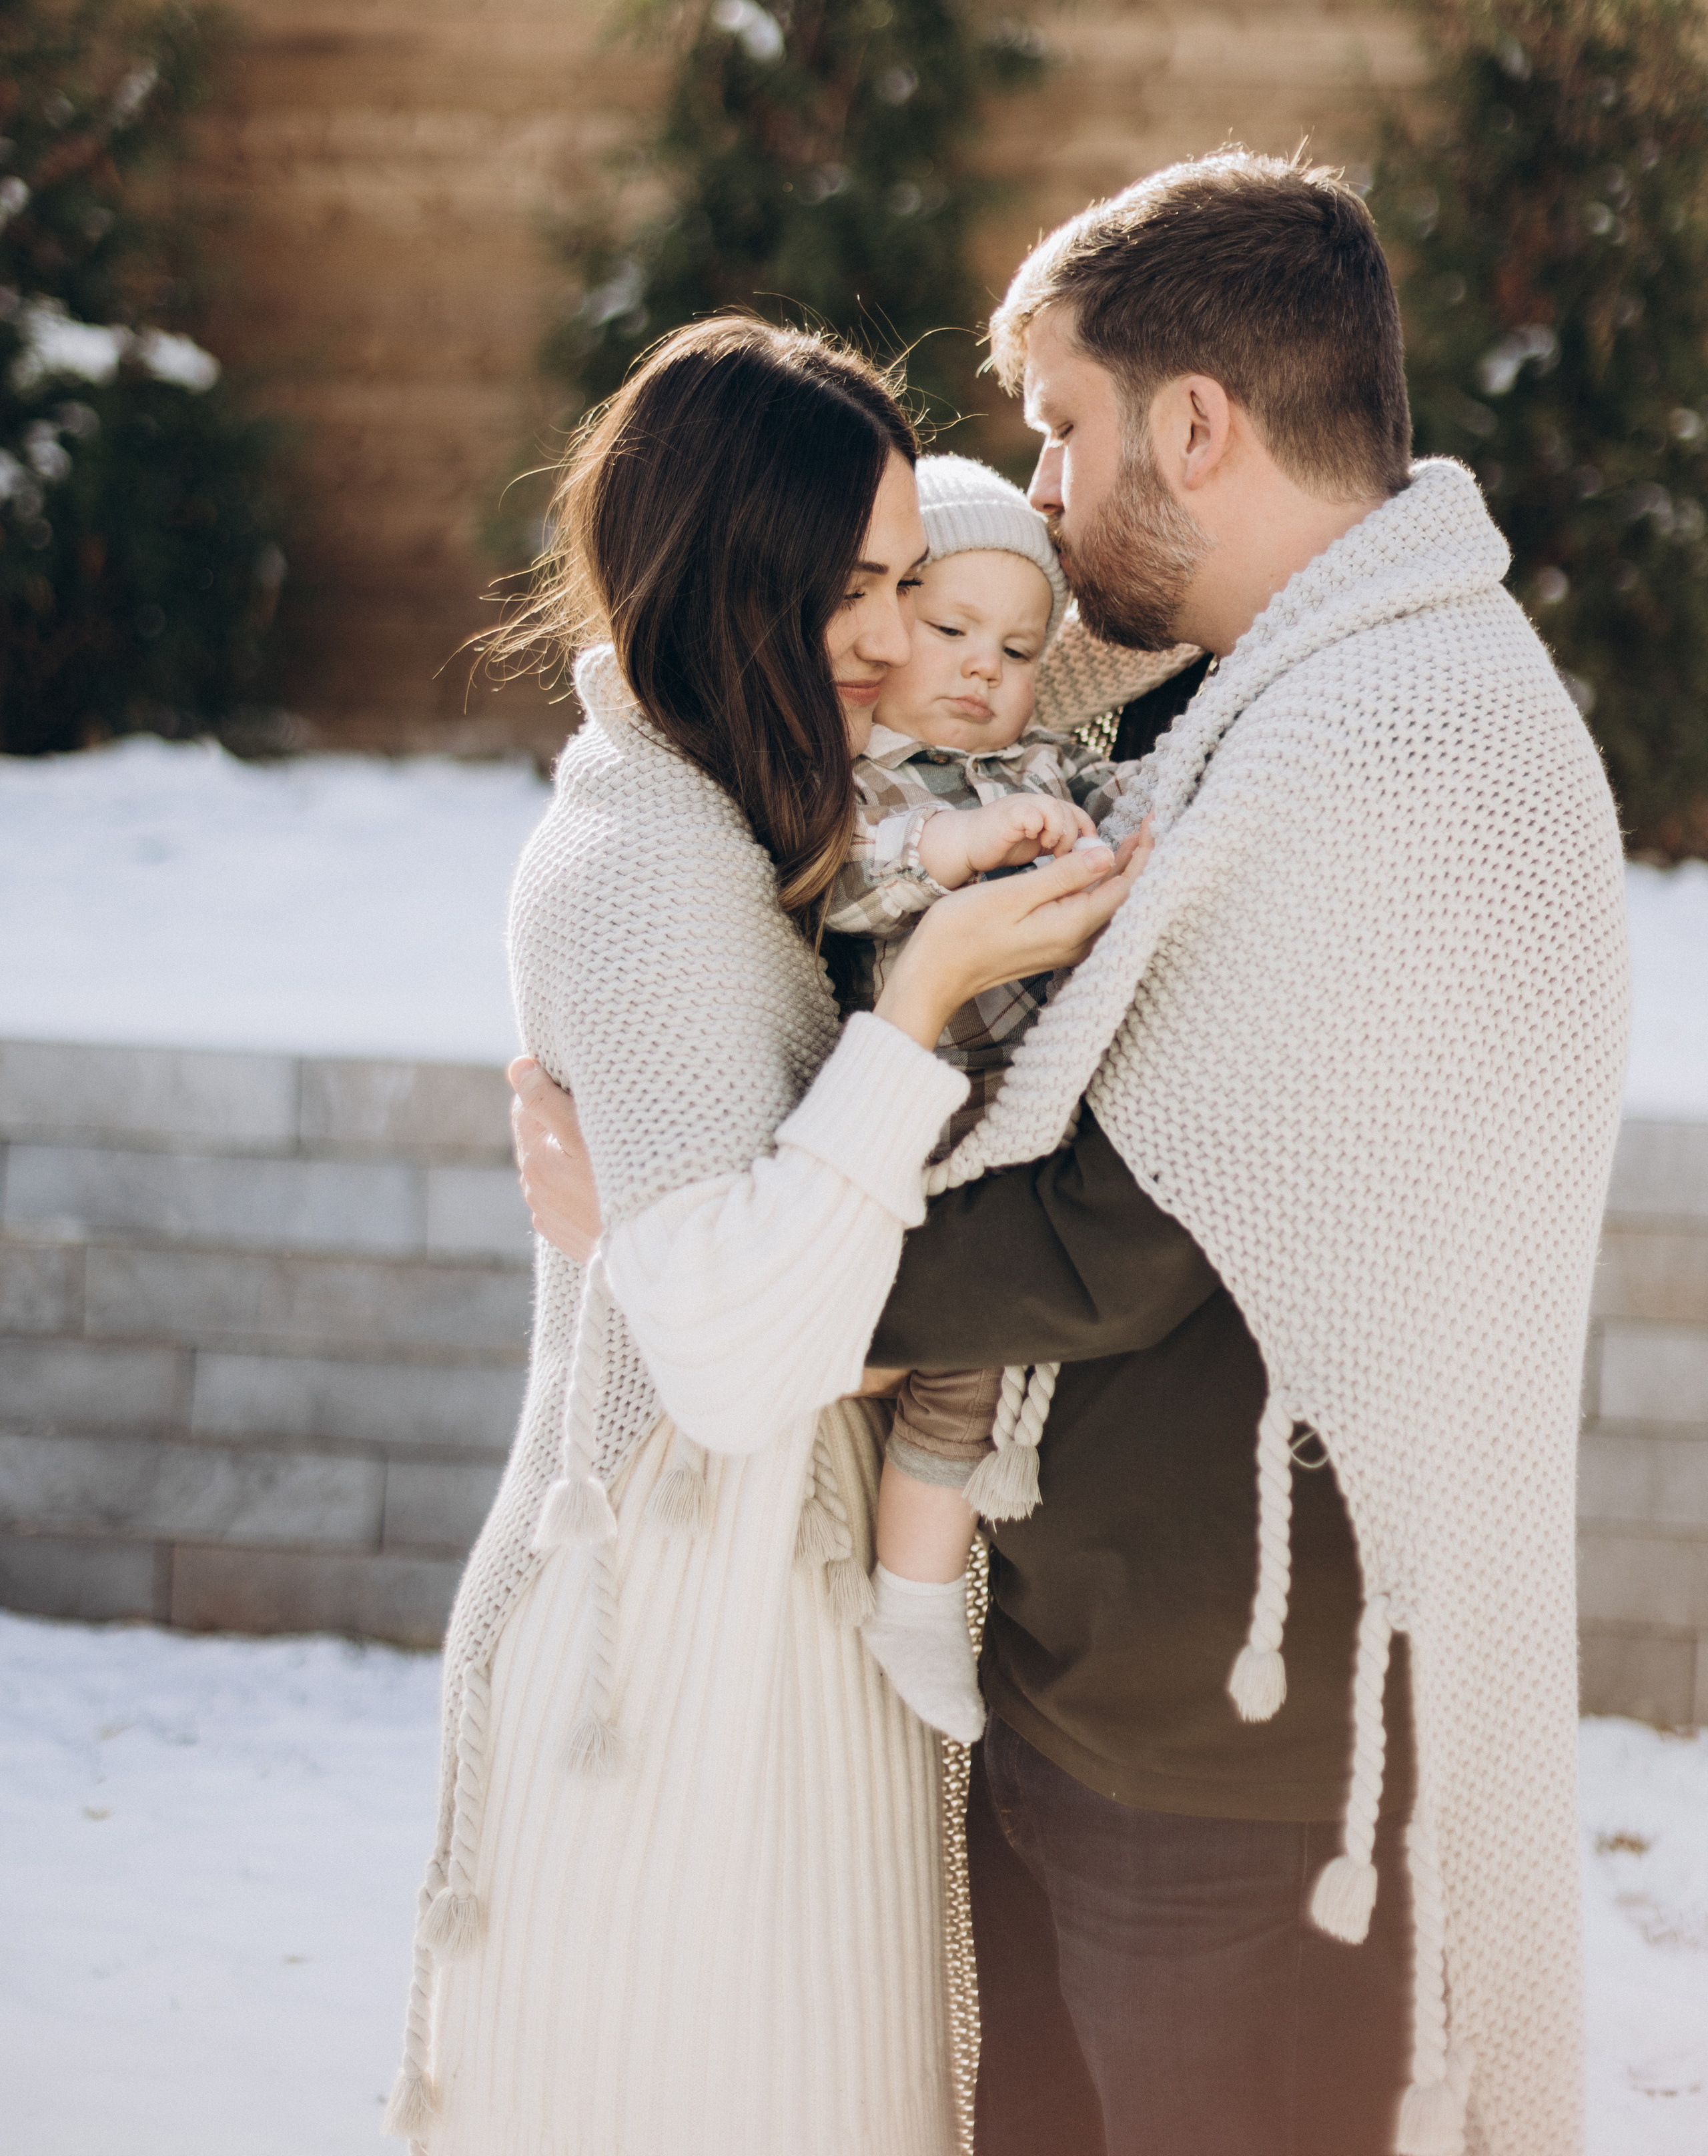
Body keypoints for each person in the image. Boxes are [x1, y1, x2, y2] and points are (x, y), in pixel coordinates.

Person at [514, 152, 1630, 2156]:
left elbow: (1138, 1223)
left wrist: (738, 1272)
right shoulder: (1277, 684)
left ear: (1194, 426)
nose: (1024, 490)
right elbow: (917, 644)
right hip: (1110, 1671)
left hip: (1239, 1743)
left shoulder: (1393, 733)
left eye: (1057, 426)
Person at [383, 315, 1140, 2156]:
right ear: (736, 567)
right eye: (858, 586)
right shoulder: (646, 860)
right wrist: (931, 995)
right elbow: (735, 1350)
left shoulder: (766, 816)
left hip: (776, 1631)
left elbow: (766, 1253)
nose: (899, 639)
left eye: (908, 580)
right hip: (678, 1673)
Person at [824, 453, 1152, 1749]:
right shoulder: (857, 779)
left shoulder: (1027, 764)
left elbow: (1108, 807)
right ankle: (910, 1601)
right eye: (950, 631)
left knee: (984, 1373)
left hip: (1031, 1130)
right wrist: (940, 850)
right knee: (945, 1369)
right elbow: (841, 880)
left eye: (1017, 650)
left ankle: (929, 1583)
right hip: (923, 1132)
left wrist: (1124, 816)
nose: (980, 669)